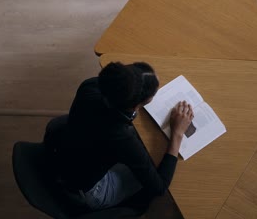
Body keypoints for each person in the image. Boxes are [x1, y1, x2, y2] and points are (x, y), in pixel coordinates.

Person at [55, 61, 194, 210]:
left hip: (69, 156)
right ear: (135, 106)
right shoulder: (120, 137)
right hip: (90, 190)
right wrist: (177, 134)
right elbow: (159, 187)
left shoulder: (91, 86)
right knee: (156, 160)